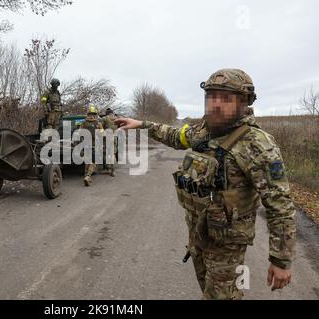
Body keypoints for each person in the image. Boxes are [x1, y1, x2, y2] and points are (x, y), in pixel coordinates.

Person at [115, 68, 296, 300]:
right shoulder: (205, 131)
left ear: (244, 103)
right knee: (206, 290)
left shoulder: (257, 144)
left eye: (226, 98)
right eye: (211, 97)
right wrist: (141, 124)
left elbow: (279, 204)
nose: (216, 104)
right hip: (199, 235)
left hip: (227, 246)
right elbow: (175, 136)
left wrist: (280, 260)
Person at [79, 105, 104, 186]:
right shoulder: (98, 123)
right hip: (95, 145)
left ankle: (86, 174)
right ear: (95, 114)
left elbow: (80, 133)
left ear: (88, 113)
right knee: (94, 162)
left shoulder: (83, 122)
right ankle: (88, 176)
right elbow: (102, 134)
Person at [101, 108, 118, 177]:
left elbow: (101, 127)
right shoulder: (116, 118)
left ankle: (107, 169)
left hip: (107, 137)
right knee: (113, 153)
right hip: (114, 137)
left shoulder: (105, 119)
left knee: (106, 153)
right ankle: (113, 171)